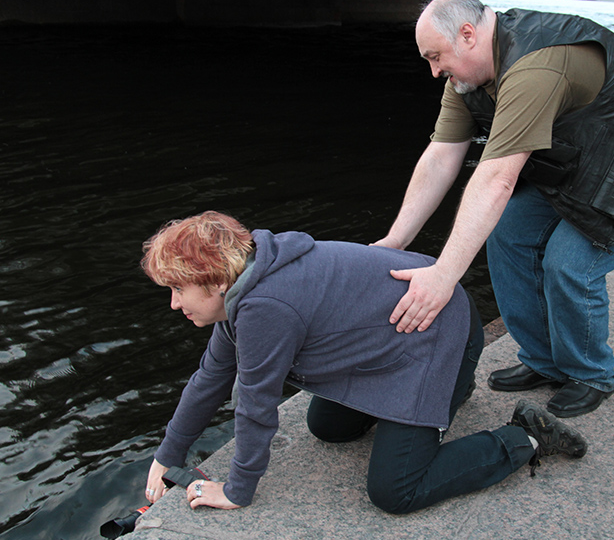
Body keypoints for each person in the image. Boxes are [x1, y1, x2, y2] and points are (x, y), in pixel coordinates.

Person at [373, 0, 614, 418]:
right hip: (580, 157)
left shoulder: (534, 67)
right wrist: (395, 241)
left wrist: (443, 277)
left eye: (436, 57)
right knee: (507, 234)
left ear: (468, 35)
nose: (434, 71)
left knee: (569, 263)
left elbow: (497, 179)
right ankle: (544, 361)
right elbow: (440, 157)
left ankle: (589, 373)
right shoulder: (466, 81)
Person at [140, 211, 587, 514]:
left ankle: (524, 436)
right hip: (399, 340)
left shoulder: (265, 307)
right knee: (329, 427)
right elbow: (211, 379)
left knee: (396, 491)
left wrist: (237, 490)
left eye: (178, 289)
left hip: (439, 335)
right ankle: (455, 389)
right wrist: (167, 456)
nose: (175, 304)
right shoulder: (247, 282)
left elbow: (257, 405)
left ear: (217, 281)